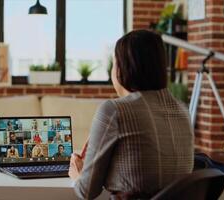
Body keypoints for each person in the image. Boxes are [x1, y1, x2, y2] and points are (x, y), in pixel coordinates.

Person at [68, 30, 194, 199]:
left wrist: (78, 174)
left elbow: (87, 191)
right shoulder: (182, 110)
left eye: (114, 63)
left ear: (122, 68)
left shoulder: (114, 110)